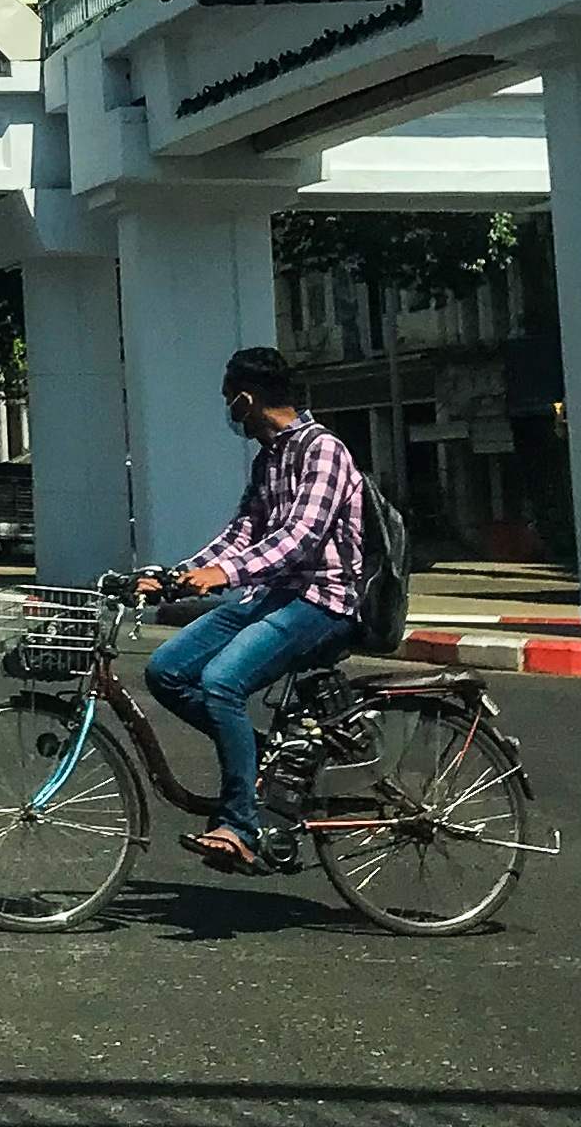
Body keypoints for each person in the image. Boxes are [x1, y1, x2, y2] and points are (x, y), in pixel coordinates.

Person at [141, 346, 367, 875]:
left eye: (229, 399)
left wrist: (226, 576)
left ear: (246, 399)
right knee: (165, 671)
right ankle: (264, 757)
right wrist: (175, 578)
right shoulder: (270, 458)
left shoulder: (323, 450)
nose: (229, 412)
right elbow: (241, 534)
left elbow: (300, 537)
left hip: (322, 599)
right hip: (272, 596)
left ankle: (240, 826)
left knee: (221, 682)